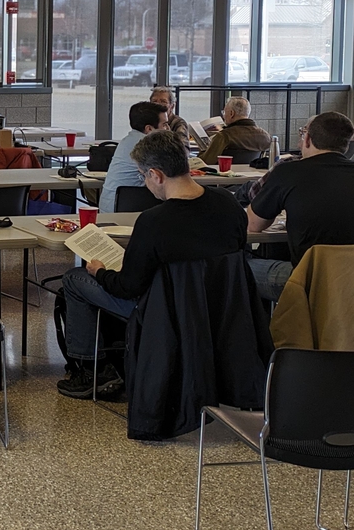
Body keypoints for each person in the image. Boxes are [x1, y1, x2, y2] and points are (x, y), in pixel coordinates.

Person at [55, 130, 248, 398]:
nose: (144, 183)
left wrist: (99, 272)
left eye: (143, 176)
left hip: (164, 310)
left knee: (75, 279)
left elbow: (127, 288)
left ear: (156, 175)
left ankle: (93, 371)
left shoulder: (154, 221)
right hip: (221, 304)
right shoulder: (229, 203)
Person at [245, 111, 354, 304]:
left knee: (237, 266)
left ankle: (262, 332)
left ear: (308, 139)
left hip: (311, 279)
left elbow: (253, 225)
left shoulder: (288, 171)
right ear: (347, 143)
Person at [100, 101, 169, 211]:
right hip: (128, 210)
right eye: (164, 124)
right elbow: (170, 177)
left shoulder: (127, 140)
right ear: (149, 129)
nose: (168, 129)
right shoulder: (149, 145)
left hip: (111, 206)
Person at [199, 97, 271, 164]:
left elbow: (206, 161)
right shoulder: (265, 136)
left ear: (231, 113)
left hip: (223, 175)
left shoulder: (224, 136)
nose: (223, 116)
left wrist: (202, 151)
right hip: (251, 175)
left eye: (224, 112)